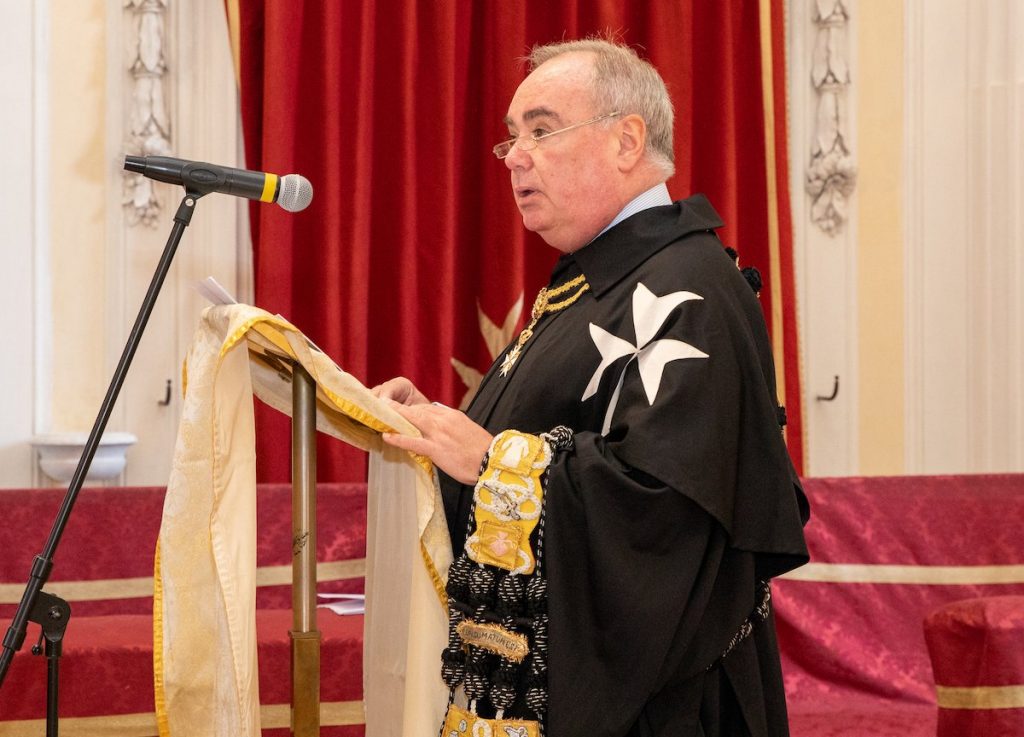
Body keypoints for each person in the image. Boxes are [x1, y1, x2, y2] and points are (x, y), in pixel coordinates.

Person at [374, 38, 809, 737]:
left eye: (542, 131)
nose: (515, 157)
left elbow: (665, 512)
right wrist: (437, 429)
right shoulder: (595, 282)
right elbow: (552, 432)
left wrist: (491, 462)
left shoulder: (685, 287)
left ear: (626, 141)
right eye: (512, 137)